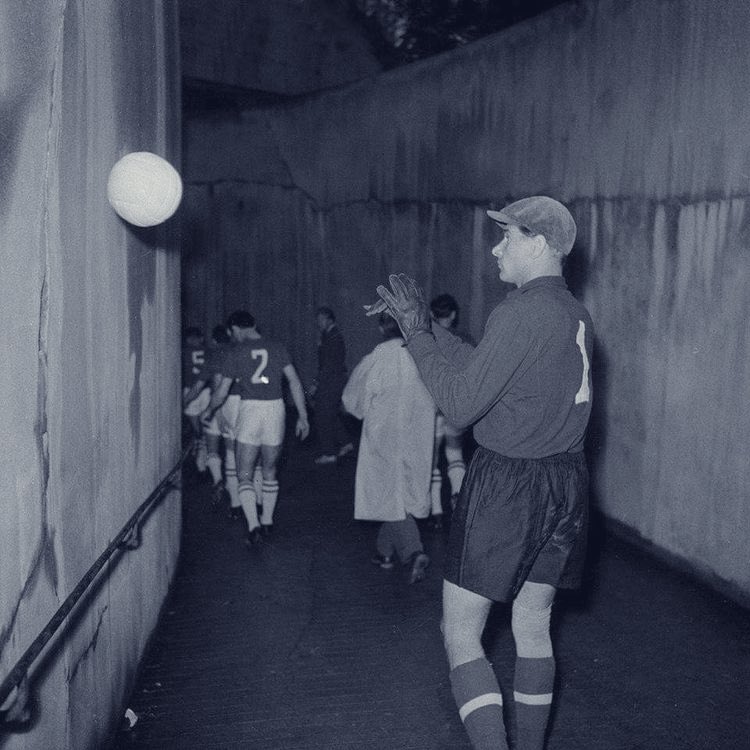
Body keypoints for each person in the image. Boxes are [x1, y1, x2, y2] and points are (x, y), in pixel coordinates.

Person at [367, 196, 593, 750]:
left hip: (508, 487)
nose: (497, 247)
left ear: (538, 243)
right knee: (533, 624)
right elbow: (488, 368)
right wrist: (424, 327)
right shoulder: (572, 313)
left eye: (507, 236)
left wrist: (419, 337)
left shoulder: (518, 312)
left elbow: (461, 403)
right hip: (564, 484)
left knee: (461, 632)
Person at [202, 310, 310, 545]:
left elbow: (222, 390)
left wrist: (209, 411)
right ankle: (268, 520)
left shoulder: (236, 351)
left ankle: (253, 527)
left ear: (237, 329)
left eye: (234, 332)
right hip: (276, 410)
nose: (234, 336)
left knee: (245, 473)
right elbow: (294, 381)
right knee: (269, 470)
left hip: (250, 410)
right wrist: (303, 416)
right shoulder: (278, 347)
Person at [342, 313, 435, 584]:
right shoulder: (425, 355)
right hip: (419, 434)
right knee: (401, 495)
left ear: (382, 327)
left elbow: (352, 400)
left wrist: (363, 411)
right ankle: (385, 552)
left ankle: (414, 551)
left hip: (384, 435)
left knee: (390, 494)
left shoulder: (377, 357)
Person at [427, 294, 474, 530]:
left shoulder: (428, 341)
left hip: (433, 406)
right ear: (454, 314)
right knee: (455, 454)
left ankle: (436, 510)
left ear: (433, 315)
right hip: (456, 408)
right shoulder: (465, 340)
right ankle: (458, 499)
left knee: (433, 460)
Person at [311, 306, 353, 465]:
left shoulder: (333, 337)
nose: (318, 323)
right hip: (333, 380)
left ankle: (329, 453)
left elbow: (328, 365)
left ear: (329, 319)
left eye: (321, 320)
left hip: (331, 381)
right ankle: (345, 442)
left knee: (322, 416)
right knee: (330, 413)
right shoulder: (329, 335)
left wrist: (316, 383)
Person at [181, 327, 210, 473]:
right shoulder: (207, 351)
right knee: (205, 427)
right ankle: (202, 450)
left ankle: (200, 446)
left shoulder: (184, 351)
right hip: (205, 390)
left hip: (190, 388)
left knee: (196, 427)